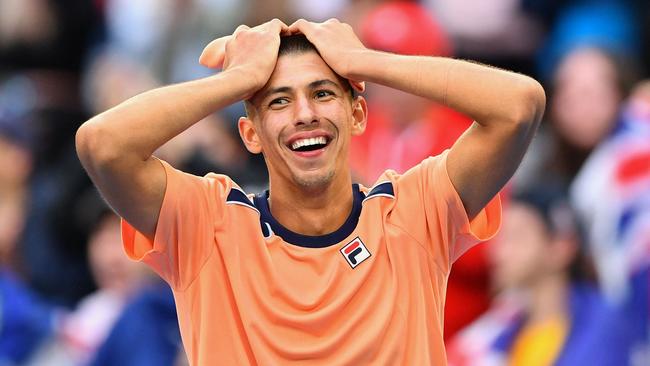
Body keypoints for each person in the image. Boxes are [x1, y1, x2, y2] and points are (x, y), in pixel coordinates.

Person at [75, 19, 545, 365]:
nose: (304, 114)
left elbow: (519, 107)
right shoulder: (206, 225)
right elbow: (102, 144)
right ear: (250, 134)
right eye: (278, 100)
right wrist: (237, 80)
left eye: (322, 93)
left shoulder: (412, 211)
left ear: (358, 115)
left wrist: (364, 61)